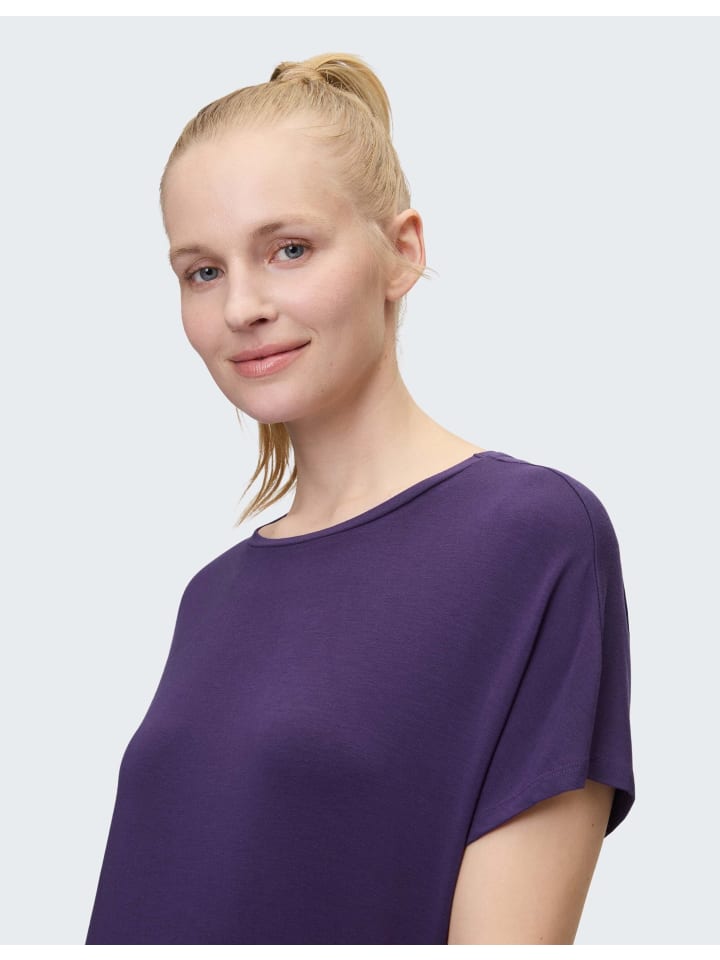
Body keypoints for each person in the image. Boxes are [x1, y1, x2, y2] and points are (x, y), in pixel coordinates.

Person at [84, 53, 635, 945]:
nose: (242, 307)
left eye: (289, 249)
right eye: (202, 271)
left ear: (401, 253)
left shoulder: (529, 537)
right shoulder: (211, 597)